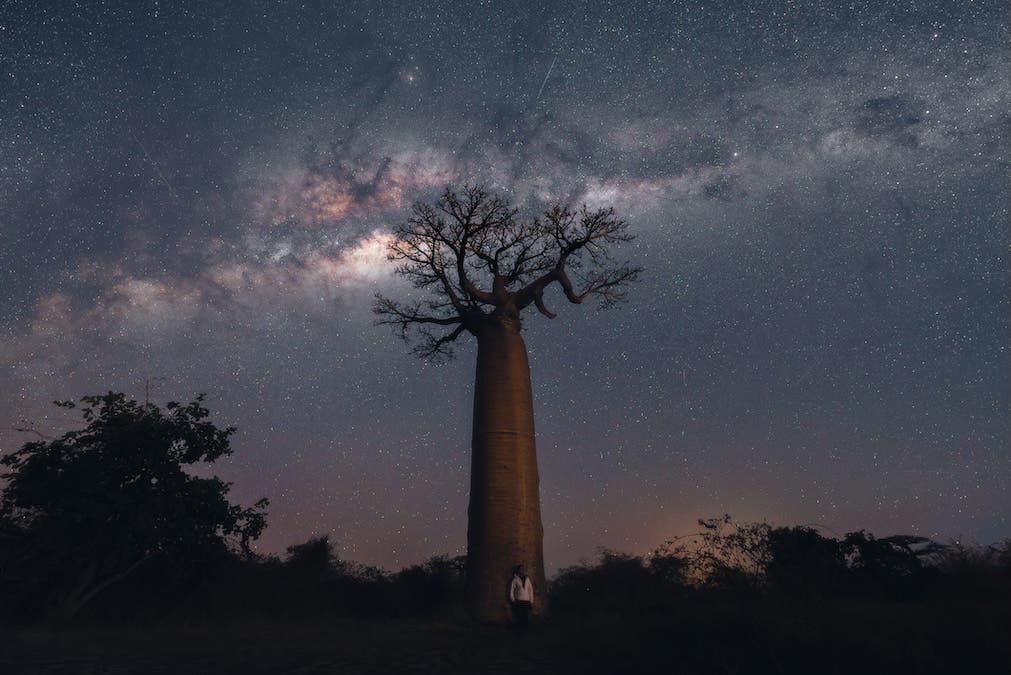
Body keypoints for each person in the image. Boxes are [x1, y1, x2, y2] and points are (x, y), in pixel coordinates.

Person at [509, 564, 534, 633]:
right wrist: (513, 599)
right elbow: (511, 589)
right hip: (519, 601)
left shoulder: (527, 579)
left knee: (525, 617)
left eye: (523, 569)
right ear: (518, 570)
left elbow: (530, 590)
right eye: (520, 569)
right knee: (519, 616)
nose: (522, 570)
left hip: (526, 601)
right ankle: (520, 632)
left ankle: (525, 631)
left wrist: (531, 601)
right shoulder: (515, 579)